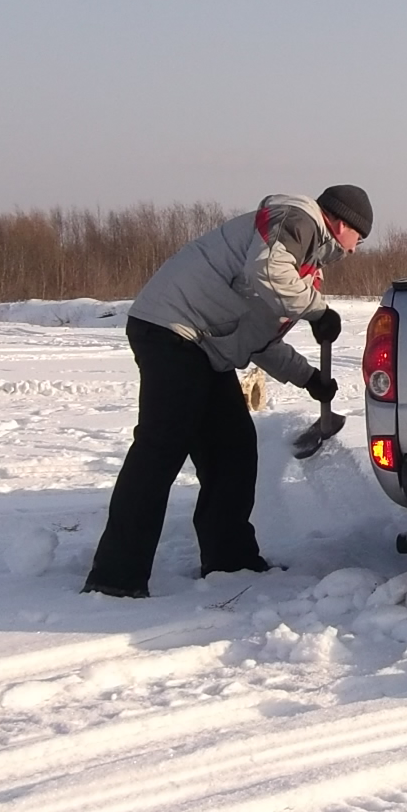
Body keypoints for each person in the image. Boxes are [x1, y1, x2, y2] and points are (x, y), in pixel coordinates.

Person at [83, 185, 373, 598]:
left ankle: (230, 560)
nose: (356, 249)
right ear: (342, 223)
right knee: (161, 448)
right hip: (172, 329)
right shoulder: (298, 220)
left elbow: (257, 339)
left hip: (203, 347)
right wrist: (317, 311)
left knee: (233, 449)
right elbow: (266, 271)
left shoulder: (302, 262)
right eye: (359, 238)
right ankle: (115, 577)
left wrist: (308, 377)